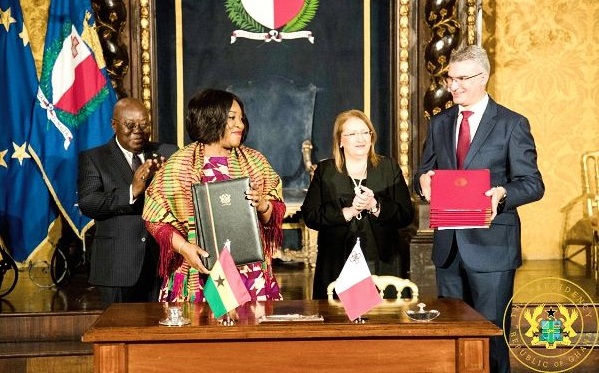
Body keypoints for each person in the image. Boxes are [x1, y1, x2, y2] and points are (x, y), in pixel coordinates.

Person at [413, 45, 544, 373]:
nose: (453, 86)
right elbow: (423, 172)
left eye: (461, 79)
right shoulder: (441, 123)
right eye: (450, 79)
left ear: (483, 77)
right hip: (448, 250)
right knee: (453, 337)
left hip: (492, 250)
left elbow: (532, 184)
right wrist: (423, 182)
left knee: (492, 339)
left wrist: (502, 194)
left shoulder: (512, 124)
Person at [142, 89, 285, 303]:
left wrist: (264, 205)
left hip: (249, 277)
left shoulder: (255, 162)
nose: (241, 125)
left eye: (241, 118)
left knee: (248, 334)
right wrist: (184, 248)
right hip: (197, 273)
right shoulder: (178, 165)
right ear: (211, 118)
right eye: (232, 118)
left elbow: (274, 212)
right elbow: (155, 217)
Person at [301, 109, 415, 300]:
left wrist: (375, 205)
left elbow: (405, 214)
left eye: (365, 132)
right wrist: (348, 211)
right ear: (340, 141)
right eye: (352, 134)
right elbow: (310, 215)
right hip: (338, 262)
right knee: (340, 323)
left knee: (381, 323)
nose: (360, 138)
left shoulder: (388, 167)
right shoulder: (326, 171)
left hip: (381, 261)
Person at [78, 97, 179, 307]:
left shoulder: (168, 153)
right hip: (117, 266)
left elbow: (183, 197)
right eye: (130, 125)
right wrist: (131, 191)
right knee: (118, 331)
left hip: (161, 262)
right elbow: (88, 202)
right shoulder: (95, 158)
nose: (138, 130)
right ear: (114, 125)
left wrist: (167, 179)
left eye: (143, 124)